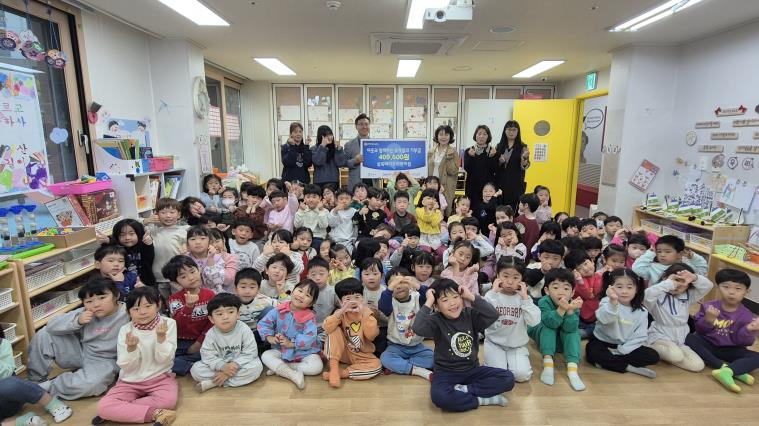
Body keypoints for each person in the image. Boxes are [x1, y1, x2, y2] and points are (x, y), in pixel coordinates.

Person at [412, 278, 514, 412]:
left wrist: (471, 297)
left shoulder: (470, 315)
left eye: (456, 297)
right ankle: (481, 400)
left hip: (472, 370)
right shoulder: (436, 320)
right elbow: (417, 328)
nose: (452, 303)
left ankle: (464, 390)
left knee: (508, 378)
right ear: (436, 306)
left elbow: (493, 315)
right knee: (439, 397)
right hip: (445, 373)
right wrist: (429, 301)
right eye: (445, 300)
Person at [27, 278, 129, 400]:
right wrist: (77, 321)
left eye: (102, 298)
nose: (96, 304)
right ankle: (35, 380)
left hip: (105, 361)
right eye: (89, 301)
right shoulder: (85, 312)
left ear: (116, 296)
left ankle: (46, 387)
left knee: (93, 385)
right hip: (81, 352)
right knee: (44, 333)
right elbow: (51, 326)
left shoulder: (128, 313)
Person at [93, 287, 178, 426]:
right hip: (130, 381)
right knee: (102, 407)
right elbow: (127, 367)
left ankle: (120, 411)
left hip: (160, 378)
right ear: (128, 312)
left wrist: (161, 338)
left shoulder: (168, 323)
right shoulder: (125, 330)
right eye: (136, 309)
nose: (142, 312)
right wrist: (131, 349)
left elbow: (164, 360)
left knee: (168, 401)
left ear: (158, 305)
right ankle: (156, 413)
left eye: (148, 306)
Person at [686, 268, 759, 393]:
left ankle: (729, 371)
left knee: (756, 357)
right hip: (708, 343)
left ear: (747, 292)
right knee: (688, 337)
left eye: (738, 288)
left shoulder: (747, 315)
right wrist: (708, 320)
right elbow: (700, 331)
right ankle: (724, 367)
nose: (731, 292)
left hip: (731, 349)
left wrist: (749, 330)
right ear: (718, 287)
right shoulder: (708, 306)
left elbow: (744, 342)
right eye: (726, 287)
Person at [586, 269, 660, 378]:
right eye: (619, 287)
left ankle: (609, 362)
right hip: (602, 341)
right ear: (611, 288)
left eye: (629, 287)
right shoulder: (607, 301)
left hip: (624, 345)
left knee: (653, 356)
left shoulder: (642, 312)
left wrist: (621, 351)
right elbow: (604, 319)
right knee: (592, 352)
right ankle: (628, 367)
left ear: (636, 289)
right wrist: (613, 302)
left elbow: (640, 336)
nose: (624, 291)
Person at [645, 264, 713, 372]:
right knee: (675, 355)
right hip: (660, 335)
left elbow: (708, 286)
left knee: (698, 366)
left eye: (683, 282)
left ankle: (672, 354)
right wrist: (668, 283)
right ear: (665, 277)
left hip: (681, 337)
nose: (678, 285)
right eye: (676, 280)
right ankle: (648, 346)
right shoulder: (657, 295)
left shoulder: (688, 296)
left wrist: (694, 277)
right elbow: (646, 295)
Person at [527, 268, 586, 391]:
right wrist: (561, 309)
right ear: (547, 290)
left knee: (573, 332)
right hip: (544, 335)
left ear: (572, 292)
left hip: (561, 341)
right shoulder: (544, 301)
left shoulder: (574, 304)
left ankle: (572, 370)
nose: (561, 292)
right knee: (548, 327)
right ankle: (548, 364)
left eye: (566, 288)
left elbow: (570, 328)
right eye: (555, 287)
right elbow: (550, 323)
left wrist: (570, 310)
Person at [484, 257, 541, 382]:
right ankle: (499, 363)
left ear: (522, 280)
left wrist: (525, 299)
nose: (510, 282)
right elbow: (482, 316)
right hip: (494, 343)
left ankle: (509, 363)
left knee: (522, 375)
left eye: (515, 277)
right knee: (498, 376)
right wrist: (493, 293)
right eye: (505, 276)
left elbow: (534, 321)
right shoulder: (491, 295)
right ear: (497, 275)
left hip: (516, 346)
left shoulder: (524, 298)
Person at [258, 280, 323, 389]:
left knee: (317, 367)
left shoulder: (309, 317)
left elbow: (310, 336)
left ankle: (281, 368)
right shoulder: (279, 309)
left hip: (304, 352)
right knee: (266, 356)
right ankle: (292, 374)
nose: (301, 296)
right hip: (281, 349)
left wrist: (291, 343)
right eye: (300, 291)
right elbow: (264, 323)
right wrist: (269, 337)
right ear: (292, 291)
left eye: (307, 295)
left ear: (311, 303)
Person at [191, 294, 263, 392]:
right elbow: (207, 355)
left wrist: (230, 369)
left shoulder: (244, 329)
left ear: (238, 314)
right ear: (211, 319)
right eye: (219, 314)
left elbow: (250, 352)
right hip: (220, 364)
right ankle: (225, 380)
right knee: (196, 370)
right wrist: (222, 366)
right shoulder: (211, 333)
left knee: (255, 368)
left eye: (230, 312)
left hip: (239, 364)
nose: (225, 317)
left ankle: (213, 382)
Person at [1, 327, 73, 425]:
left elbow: (7, 373)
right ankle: (21, 422)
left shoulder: (3, 344)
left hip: (7, 399)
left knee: (9, 384)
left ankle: (53, 404)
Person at [322, 278, 382, 387]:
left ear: (363, 298)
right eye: (348, 299)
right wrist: (341, 311)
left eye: (357, 297)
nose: (353, 301)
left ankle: (342, 374)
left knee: (377, 366)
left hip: (362, 355)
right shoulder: (340, 313)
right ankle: (334, 369)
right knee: (333, 330)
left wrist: (363, 315)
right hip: (343, 352)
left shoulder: (367, 313)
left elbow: (371, 336)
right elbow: (326, 328)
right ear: (341, 302)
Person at [163, 256, 214, 376]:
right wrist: (189, 307)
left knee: (212, 352)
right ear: (176, 282)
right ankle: (195, 365)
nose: (191, 277)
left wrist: (199, 342)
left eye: (192, 271)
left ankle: (191, 364)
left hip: (204, 339)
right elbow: (178, 325)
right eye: (183, 276)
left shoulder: (210, 295)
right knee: (163, 360)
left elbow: (212, 322)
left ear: (198, 270)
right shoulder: (175, 299)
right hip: (181, 341)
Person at [149, 198, 189, 298]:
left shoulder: (184, 231)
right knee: (163, 302)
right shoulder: (153, 232)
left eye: (172, 212)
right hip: (158, 276)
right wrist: (146, 220)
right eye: (163, 212)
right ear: (157, 214)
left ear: (179, 214)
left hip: (178, 275)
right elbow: (135, 225)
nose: (168, 216)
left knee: (179, 300)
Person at [632, 235, 708, 285]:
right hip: (656, 301)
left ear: (680, 254)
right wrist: (651, 253)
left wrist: (694, 257)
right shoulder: (653, 267)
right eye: (659, 251)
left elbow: (702, 271)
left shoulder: (686, 267)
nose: (662, 255)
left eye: (667, 252)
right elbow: (637, 269)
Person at [103, 219, 155, 289]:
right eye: (122, 235)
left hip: (146, 283)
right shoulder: (117, 250)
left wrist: (149, 244)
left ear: (139, 234)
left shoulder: (143, 246)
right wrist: (108, 241)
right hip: (124, 285)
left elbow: (150, 256)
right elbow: (111, 249)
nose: (127, 238)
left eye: (131, 234)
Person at [234, 268, 277, 354]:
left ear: (258, 289)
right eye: (243, 287)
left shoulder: (264, 300)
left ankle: (265, 344)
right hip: (240, 335)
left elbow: (282, 307)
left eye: (252, 287)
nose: (247, 291)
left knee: (271, 310)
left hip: (259, 332)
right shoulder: (231, 303)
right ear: (235, 288)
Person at [563, 250, 603, 339]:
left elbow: (595, 292)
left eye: (586, 263)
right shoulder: (576, 282)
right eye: (579, 268)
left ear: (592, 261)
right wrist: (580, 283)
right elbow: (587, 295)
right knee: (570, 329)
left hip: (596, 320)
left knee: (592, 331)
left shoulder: (600, 277)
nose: (585, 268)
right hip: (580, 318)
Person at [494, 120, 530, 211]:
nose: (511, 132)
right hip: (500, 183)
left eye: (514, 130)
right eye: (509, 130)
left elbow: (524, 166)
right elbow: (493, 166)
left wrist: (524, 158)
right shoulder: (498, 146)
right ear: (505, 131)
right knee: (498, 208)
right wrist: (499, 162)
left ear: (518, 132)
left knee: (512, 209)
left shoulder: (523, 147)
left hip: (515, 184)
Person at [427, 125, 460, 216]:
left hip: (446, 186)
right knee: (431, 209)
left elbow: (453, 171)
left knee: (444, 211)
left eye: (446, 134)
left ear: (450, 136)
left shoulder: (454, 152)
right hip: (432, 185)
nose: (443, 137)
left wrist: (449, 157)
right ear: (437, 136)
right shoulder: (431, 151)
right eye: (441, 134)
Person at [464, 125, 497, 211]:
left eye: (484, 134)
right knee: (473, 210)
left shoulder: (493, 151)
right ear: (475, 135)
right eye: (479, 134)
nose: (481, 136)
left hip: (487, 188)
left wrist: (492, 157)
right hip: (472, 186)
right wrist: (471, 157)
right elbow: (467, 168)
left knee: (487, 210)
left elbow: (495, 169)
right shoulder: (469, 150)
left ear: (488, 136)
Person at [185, 226, 226, 294]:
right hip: (193, 296)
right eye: (193, 239)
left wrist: (210, 259)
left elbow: (217, 281)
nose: (198, 242)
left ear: (209, 242)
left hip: (214, 295)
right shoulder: (185, 259)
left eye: (202, 238)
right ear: (187, 244)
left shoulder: (217, 258)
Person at [294, 184, 329, 250]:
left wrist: (320, 211)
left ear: (320, 198)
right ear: (304, 198)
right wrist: (301, 211)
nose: (311, 200)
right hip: (303, 238)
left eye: (314, 197)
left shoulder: (324, 211)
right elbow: (297, 225)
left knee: (317, 244)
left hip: (318, 237)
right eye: (308, 197)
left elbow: (324, 226)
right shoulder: (302, 209)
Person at [344, 113, 373, 189]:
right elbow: (344, 163)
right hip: (356, 183)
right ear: (356, 126)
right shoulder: (349, 145)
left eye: (366, 124)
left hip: (372, 182)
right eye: (361, 124)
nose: (364, 127)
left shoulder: (376, 144)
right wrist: (355, 161)